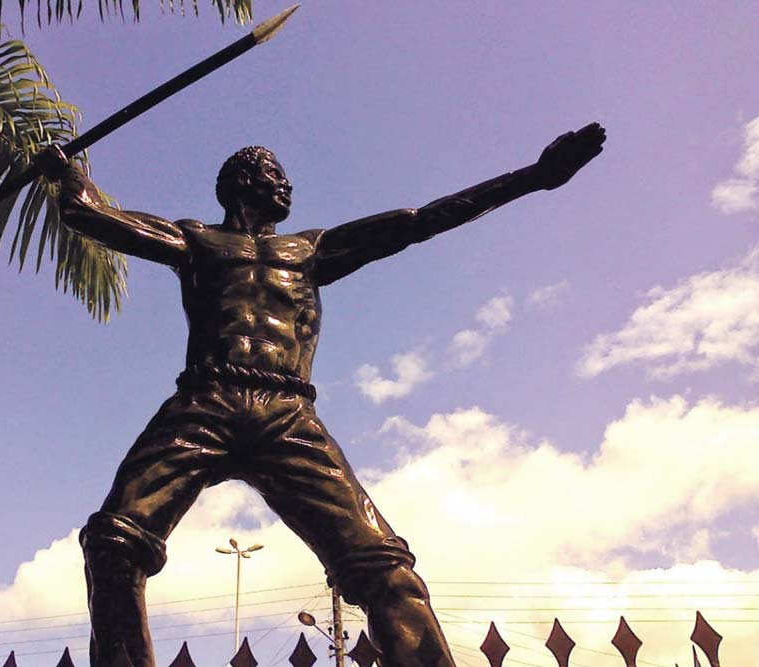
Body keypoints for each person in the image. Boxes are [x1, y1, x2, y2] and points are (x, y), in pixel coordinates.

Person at [38, 122, 606, 667]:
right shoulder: (196, 240)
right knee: (114, 543)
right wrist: (70, 173)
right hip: (206, 401)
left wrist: (533, 176)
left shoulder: (311, 249)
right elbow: (88, 215)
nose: (287, 186)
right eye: (275, 175)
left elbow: (419, 221)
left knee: (386, 569)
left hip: (288, 412)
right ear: (243, 183)